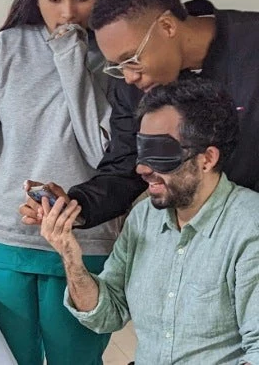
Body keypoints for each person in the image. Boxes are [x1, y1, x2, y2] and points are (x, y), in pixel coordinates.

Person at [0, 0, 118, 364]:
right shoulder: (6, 48)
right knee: (6, 357)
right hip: (7, 237)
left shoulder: (113, 54)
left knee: (75, 359)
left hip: (86, 239)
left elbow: (102, 151)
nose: (67, 12)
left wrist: (71, 55)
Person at [39, 78, 259, 364]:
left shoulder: (249, 227)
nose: (142, 168)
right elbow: (106, 315)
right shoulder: (143, 219)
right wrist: (70, 255)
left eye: (160, 153)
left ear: (207, 159)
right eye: (142, 150)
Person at [19, 0, 259, 230]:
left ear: (167, 26)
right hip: (192, 237)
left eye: (132, 59)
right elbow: (125, 168)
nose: (129, 77)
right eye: (118, 67)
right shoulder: (134, 85)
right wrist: (75, 206)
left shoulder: (251, 44)